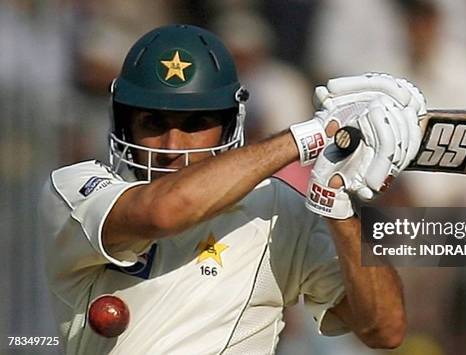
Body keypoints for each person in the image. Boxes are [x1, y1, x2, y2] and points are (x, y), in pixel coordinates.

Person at [39, 24, 426, 354]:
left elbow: (384, 329)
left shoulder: (280, 210)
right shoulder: (75, 190)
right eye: (153, 122)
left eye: (195, 124)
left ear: (229, 127)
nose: (173, 147)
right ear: (125, 126)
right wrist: (313, 135)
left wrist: (338, 207)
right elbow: (166, 211)